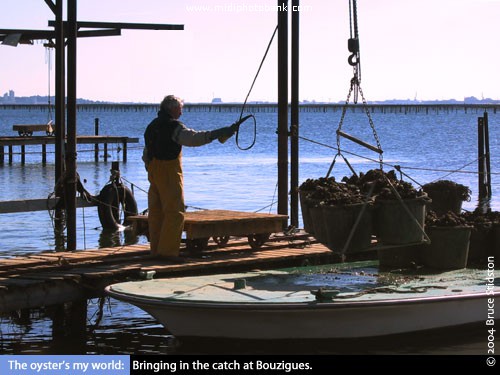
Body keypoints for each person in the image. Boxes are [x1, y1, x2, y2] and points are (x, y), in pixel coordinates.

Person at [143, 95, 240, 262]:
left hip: (153, 171)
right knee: (174, 213)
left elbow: (146, 153)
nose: (182, 111)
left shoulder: (152, 126)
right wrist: (217, 133)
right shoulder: (174, 126)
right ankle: (167, 253)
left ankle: (156, 250)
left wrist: (150, 168)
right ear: (172, 109)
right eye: (180, 108)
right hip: (169, 172)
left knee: (156, 213)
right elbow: (193, 139)